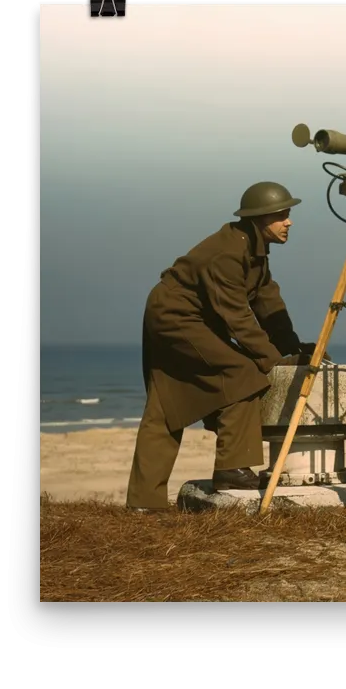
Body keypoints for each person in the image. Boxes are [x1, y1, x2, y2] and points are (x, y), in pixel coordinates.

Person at [125, 181, 319, 513]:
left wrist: (291, 347)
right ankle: (231, 469)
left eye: (288, 213)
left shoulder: (252, 249)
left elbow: (266, 301)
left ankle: (144, 504)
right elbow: (237, 318)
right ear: (260, 218)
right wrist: (275, 361)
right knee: (243, 372)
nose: (289, 221)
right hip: (175, 316)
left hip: (192, 317)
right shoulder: (229, 253)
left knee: (163, 407)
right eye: (282, 215)